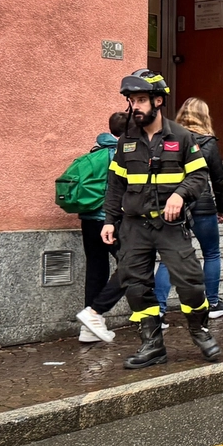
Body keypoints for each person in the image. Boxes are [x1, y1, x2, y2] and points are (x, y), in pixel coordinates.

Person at [101, 69, 221, 368]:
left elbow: (199, 177)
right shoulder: (126, 140)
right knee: (135, 285)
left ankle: (200, 331)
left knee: (191, 282)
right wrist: (108, 220)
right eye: (131, 101)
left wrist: (180, 196)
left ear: (157, 101)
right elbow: (116, 184)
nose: (135, 107)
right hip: (134, 226)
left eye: (141, 100)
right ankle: (152, 344)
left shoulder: (181, 136)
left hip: (170, 226)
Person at [152, 98, 223, 319]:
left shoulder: (168, 138)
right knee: (212, 253)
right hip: (203, 205)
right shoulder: (208, 142)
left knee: (170, 257)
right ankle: (213, 303)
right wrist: (222, 208)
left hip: (173, 205)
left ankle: (157, 311)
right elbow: (219, 179)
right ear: (205, 117)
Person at [74, 112, 129, 344]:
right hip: (112, 220)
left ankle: (88, 329)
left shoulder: (94, 152)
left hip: (88, 219)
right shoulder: (122, 153)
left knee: (96, 271)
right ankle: (95, 313)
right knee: (132, 265)